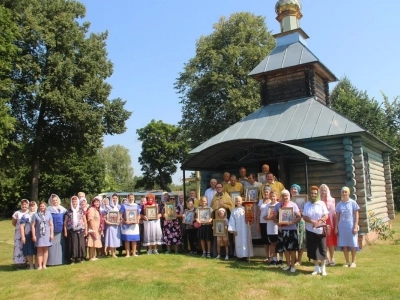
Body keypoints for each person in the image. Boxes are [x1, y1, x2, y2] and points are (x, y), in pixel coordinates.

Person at [302, 186, 329, 276]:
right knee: (312, 249)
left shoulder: (321, 203)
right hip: (310, 229)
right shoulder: (307, 204)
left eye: (315, 193)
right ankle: (316, 268)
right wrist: (312, 221)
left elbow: (326, 215)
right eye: (312, 193)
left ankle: (323, 268)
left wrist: (319, 221)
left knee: (322, 248)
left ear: (317, 194)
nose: (313, 195)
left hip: (320, 229)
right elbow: (304, 216)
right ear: (310, 194)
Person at [273, 190, 301, 273]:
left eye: (287, 195)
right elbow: (274, 217)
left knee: (292, 249)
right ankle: (288, 264)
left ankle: (293, 265)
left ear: (289, 196)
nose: (285, 197)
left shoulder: (294, 205)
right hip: (282, 230)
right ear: (281, 197)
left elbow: (299, 216)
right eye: (283, 196)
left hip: (292, 229)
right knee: (285, 248)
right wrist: (277, 223)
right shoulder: (278, 205)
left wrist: (293, 222)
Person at [335, 186, 360, 268]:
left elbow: (356, 214)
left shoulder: (353, 203)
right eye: (343, 192)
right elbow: (337, 217)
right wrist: (336, 227)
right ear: (341, 193)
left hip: (351, 226)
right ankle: (347, 261)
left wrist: (356, 225)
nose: (344, 193)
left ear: (349, 193)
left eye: (346, 192)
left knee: (353, 244)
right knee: (344, 244)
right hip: (342, 227)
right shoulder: (339, 204)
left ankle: (353, 262)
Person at [228, 196, 254, 260]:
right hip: (238, 229)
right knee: (239, 242)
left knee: (246, 241)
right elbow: (232, 221)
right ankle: (240, 256)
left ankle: (246, 255)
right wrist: (233, 230)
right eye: (237, 201)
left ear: (242, 201)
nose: (238, 202)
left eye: (239, 201)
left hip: (245, 228)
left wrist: (249, 220)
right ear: (235, 202)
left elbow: (250, 216)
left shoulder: (245, 209)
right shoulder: (234, 211)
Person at [64, 196, 87, 264]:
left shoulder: (81, 210)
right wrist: (65, 231)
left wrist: (86, 230)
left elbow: (85, 220)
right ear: (71, 202)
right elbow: (65, 222)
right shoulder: (68, 211)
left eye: (76, 201)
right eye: (73, 201)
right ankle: (73, 259)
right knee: (73, 245)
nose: (74, 203)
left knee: (80, 244)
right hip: (72, 230)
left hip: (80, 230)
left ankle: (80, 258)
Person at [32, 201, 54, 270]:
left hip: (47, 234)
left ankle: (44, 265)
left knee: (45, 250)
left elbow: (51, 224)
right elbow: (33, 226)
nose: (42, 207)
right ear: (39, 207)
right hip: (39, 235)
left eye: (43, 206)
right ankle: (40, 266)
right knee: (39, 250)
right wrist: (34, 235)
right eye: (41, 206)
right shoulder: (36, 215)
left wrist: (51, 233)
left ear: (45, 206)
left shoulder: (49, 214)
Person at [319, 184, 337, 266]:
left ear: (327, 191)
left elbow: (334, 214)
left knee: (330, 241)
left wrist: (335, 225)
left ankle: (332, 258)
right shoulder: (318, 200)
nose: (323, 192)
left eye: (325, 190)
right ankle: (325, 257)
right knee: (324, 241)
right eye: (322, 190)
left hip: (329, 222)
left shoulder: (332, 200)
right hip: (321, 222)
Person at [47, 194, 67, 266]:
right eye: (53, 200)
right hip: (52, 231)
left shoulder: (63, 209)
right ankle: (52, 262)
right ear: (51, 201)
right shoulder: (49, 209)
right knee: (52, 247)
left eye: (56, 200)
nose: (55, 202)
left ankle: (62, 260)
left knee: (61, 246)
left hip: (61, 230)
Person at [119, 193, 140, 257]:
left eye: (132, 197)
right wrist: (124, 221)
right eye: (130, 197)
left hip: (134, 225)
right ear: (128, 198)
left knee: (134, 239)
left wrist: (137, 220)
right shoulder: (124, 205)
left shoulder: (136, 205)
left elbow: (138, 215)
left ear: (134, 198)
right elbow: (120, 215)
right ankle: (127, 254)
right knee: (127, 239)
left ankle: (134, 253)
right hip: (126, 225)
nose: (131, 199)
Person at [290, 184, 306, 266]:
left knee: (301, 240)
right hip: (291, 222)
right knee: (293, 241)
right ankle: (294, 259)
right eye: (292, 189)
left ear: (298, 190)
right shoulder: (288, 200)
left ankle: (299, 260)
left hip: (301, 221)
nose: (293, 190)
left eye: (295, 189)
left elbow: (305, 210)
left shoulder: (302, 199)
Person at [12, 199, 30, 269]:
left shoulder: (29, 212)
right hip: (19, 233)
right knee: (19, 247)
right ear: (21, 205)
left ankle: (26, 262)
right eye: (23, 204)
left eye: (25, 204)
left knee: (27, 246)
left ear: (27, 205)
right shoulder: (17, 213)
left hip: (28, 232)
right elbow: (14, 223)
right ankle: (19, 264)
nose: (24, 206)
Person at [264, 191, 280, 265]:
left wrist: (275, 218)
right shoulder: (267, 206)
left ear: (277, 197)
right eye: (271, 196)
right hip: (270, 228)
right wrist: (268, 217)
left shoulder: (279, 205)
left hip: (278, 227)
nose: (272, 198)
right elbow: (264, 216)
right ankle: (274, 259)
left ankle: (280, 259)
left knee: (278, 243)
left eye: (274, 196)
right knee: (272, 244)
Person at [20, 201, 37, 269]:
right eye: (30, 206)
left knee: (37, 251)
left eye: (33, 206)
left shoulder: (38, 214)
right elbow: (21, 226)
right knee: (29, 250)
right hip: (28, 234)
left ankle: (36, 264)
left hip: (37, 235)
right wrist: (23, 236)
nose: (32, 207)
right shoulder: (25, 216)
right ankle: (31, 265)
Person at [104, 193, 121, 258]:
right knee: (111, 239)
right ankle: (112, 253)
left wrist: (119, 220)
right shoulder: (108, 207)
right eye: (113, 198)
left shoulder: (119, 206)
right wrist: (108, 222)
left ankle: (114, 252)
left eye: (116, 198)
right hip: (110, 225)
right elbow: (104, 217)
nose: (115, 199)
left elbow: (120, 216)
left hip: (117, 226)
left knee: (116, 239)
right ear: (111, 199)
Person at [258, 186, 271, 262]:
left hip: (270, 223)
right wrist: (257, 224)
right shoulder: (260, 201)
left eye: (267, 192)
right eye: (265, 192)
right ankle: (267, 256)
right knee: (265, 240)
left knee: (270, 240)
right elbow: (258, 213)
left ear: (270, 192)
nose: (266, 193)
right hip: (262, 223)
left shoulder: (271, 201)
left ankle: (272, 256)